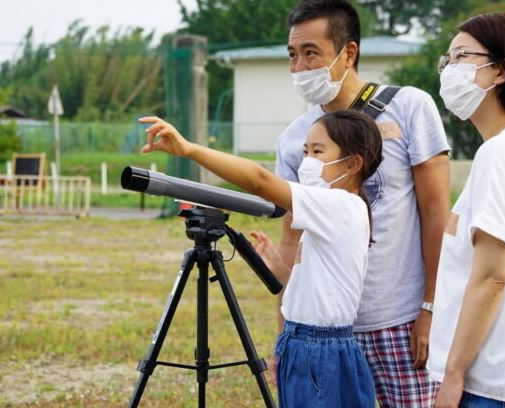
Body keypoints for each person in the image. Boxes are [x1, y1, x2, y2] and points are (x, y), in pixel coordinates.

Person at [139, 109, 383, 407]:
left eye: (318, 151)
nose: (307, 161)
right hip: (310, 343)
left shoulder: (340, 205)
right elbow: (321, 291)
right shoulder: (337, 211)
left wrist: (188, 149)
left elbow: (258, 180)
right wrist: (282, 270)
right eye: (305, 151)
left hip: (318, 349)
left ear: (353, 163)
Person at [274, 1, 451, 406]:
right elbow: (292, 242)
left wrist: (431, 308)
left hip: (399, 322)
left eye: (311, 53)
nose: (299, 68)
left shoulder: (409, 107)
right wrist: (284, 331)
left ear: (348, 53)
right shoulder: (294, 139)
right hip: (326, 335)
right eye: (293, 55)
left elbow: (436, 214)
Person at [427, 12, 505, 408]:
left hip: (494, 382)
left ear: (501, 71)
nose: (449, 70)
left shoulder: (501, 152)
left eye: (461, 56)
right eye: (445, 60)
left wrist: (453, 374)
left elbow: (493, 276)